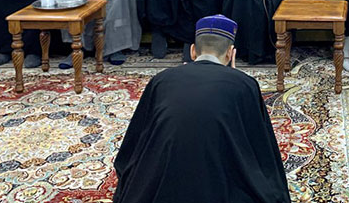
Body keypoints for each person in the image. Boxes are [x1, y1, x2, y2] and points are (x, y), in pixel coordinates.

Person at [113, 14, 290, 203]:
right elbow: (261, 149)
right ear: (231, 53)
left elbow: (134, 145)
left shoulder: (161, 80)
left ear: (192, 51)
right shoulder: (245, 84)